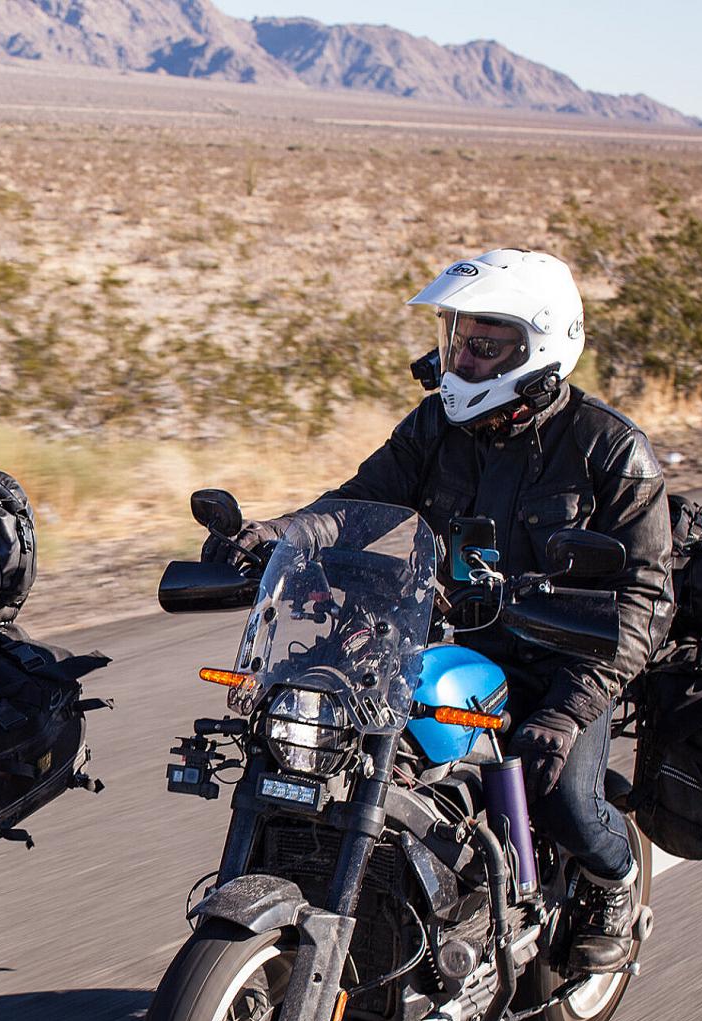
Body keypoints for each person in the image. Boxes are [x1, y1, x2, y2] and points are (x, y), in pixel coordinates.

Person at [215, 248, 670, 972]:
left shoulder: (610, 450)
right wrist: (280, 536)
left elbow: (646, 601)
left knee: (563, 799)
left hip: (566, 662)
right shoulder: (437, 426)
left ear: (539, 347)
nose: (463, 359)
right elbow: (358, 505)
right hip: (452, 643)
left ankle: (615, 880)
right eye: (459, 340)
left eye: (486, 346)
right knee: (330, 744)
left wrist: (570, 710)